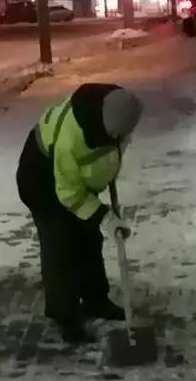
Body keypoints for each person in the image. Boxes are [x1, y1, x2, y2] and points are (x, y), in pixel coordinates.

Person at [16, 84, 142, 343]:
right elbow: (69, 193)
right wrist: (104, 216)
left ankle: (96, 300)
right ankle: (65, 317)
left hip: (74, 182)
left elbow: (106, 153)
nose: (125, 139)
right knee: (60, 247)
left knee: (89, 238)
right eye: (120, 136)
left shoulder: (112, 112)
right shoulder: (70, 139)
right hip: (41, 181)